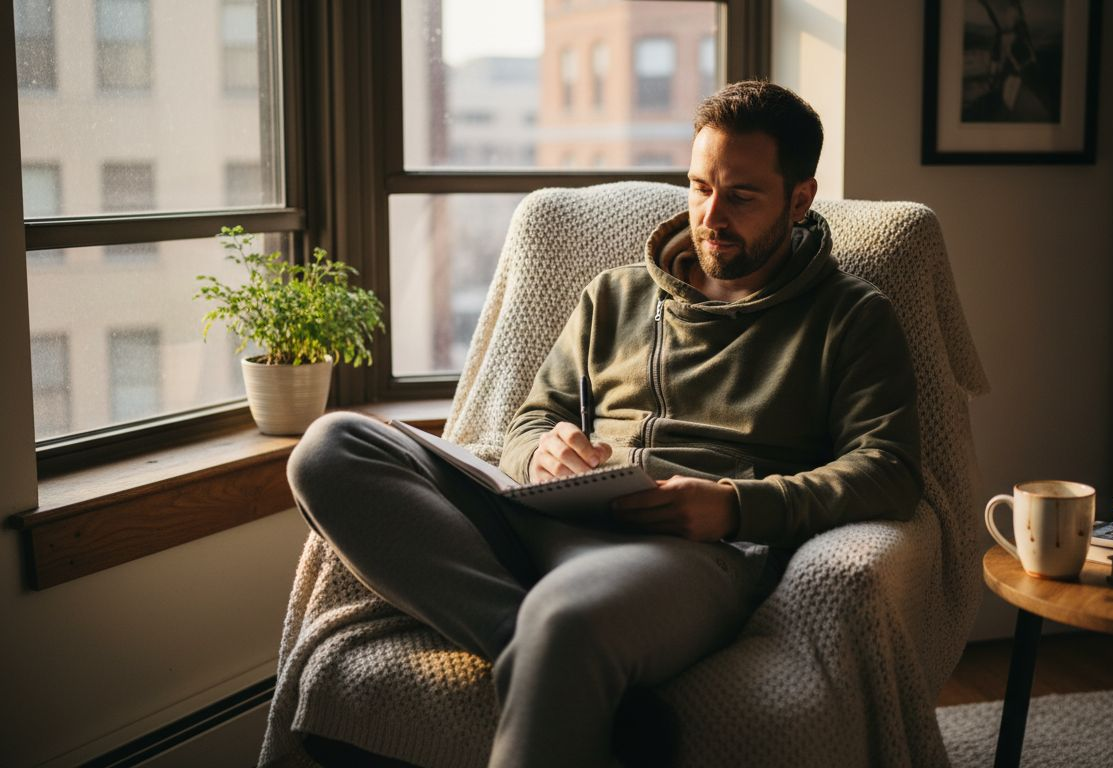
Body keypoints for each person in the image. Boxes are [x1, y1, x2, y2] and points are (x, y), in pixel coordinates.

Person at [286, 80, 921, 768]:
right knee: (330, 447)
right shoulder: (616, 293)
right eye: (699, 186)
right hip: (548, 511)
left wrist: (736, 507)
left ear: (800, 199)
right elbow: (533, 418)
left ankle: (553, 645)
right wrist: (542, 453)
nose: (710, 215)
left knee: (564, 621)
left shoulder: (852, 317)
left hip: (686, 550)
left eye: (740, 196)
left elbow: (888, 471)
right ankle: (527, 644)